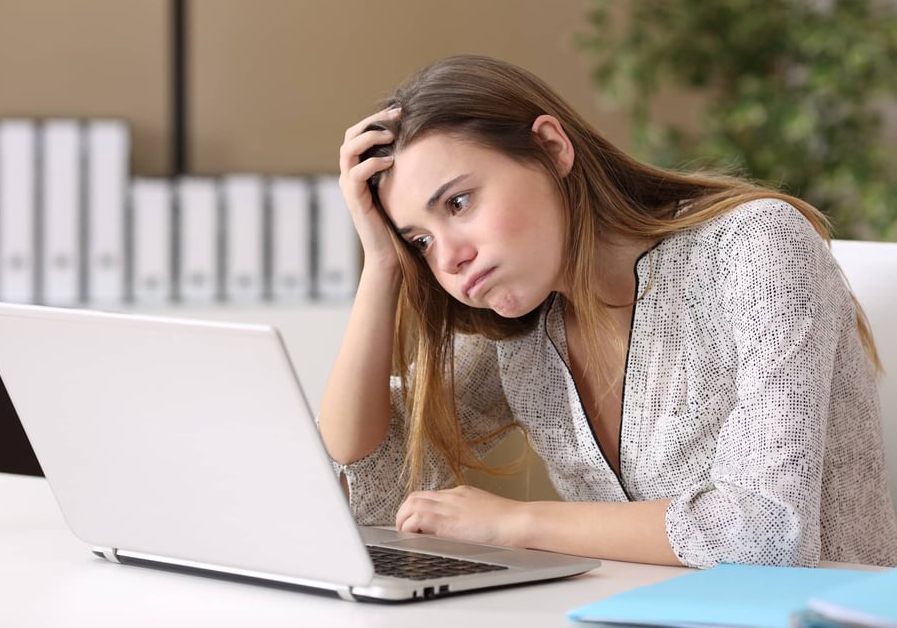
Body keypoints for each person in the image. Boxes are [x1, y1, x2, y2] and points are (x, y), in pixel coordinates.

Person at [318, 54, 897, 569]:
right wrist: (381, 263)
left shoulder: (752, 247)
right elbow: (375, 471)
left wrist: (518, 523)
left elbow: (769, 530)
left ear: (552, 147)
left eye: (459, 202)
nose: (450, 257)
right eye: (419, 240)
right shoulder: (525, 328)